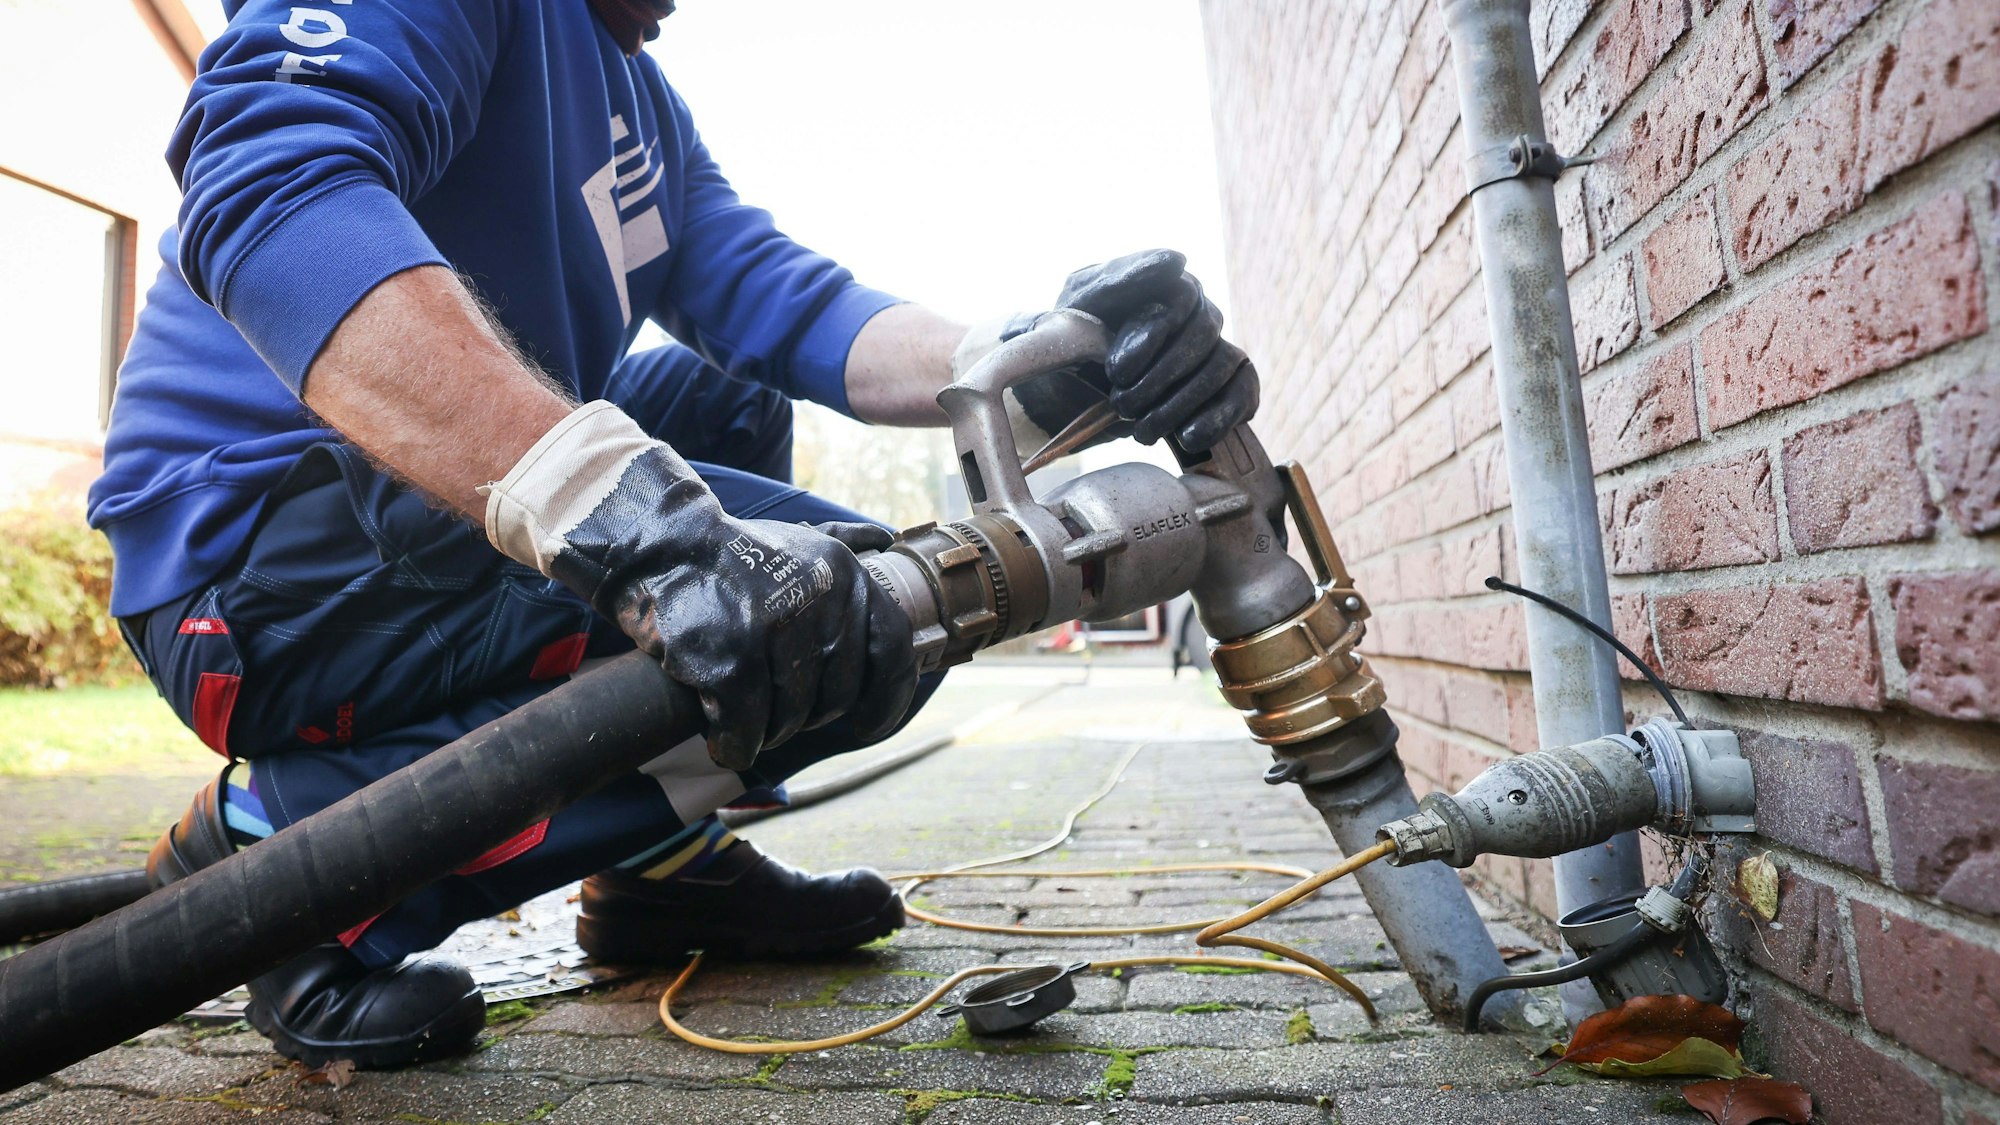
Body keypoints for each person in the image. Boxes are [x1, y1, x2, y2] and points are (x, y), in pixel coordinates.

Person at [89, 0, 1258, 1069]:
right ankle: (287, 865)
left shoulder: (637, 100)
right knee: (855, 619)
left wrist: (1041, 361)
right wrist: (621, 516)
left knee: (740, 429)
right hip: (247, 568)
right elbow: (271, 174)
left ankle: (661, 871)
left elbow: (787, 303)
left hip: (397, 531)